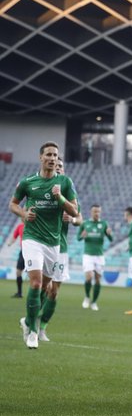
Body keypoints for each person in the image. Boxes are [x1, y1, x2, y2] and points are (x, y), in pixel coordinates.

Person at [10, 141, 79, 349]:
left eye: (55, 155)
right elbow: (13, 204)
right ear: (41, 157)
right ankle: (33, 333)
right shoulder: (28, 182)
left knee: (46, 287)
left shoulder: (65, 182)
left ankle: (28, 321)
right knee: (36, 283)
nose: (52, 158)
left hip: (53, 243)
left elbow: (75, 212)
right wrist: (23, 213)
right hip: (32, 239)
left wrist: (60, 198)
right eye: (48, 154)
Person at [39, 158, 83, 342]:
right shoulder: (42, 189)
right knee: (41, 286)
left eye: (61, 166)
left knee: (54, 292)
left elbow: (80, 218)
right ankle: (31, 319)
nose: (57, 168)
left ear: (63, 170)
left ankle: (42, 328)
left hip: (61, 248)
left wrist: (72, 220)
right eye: (55, 166)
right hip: (43, 245)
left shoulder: (68, 193)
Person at [78, 204, 113, 311]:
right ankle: (87, 297)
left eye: (98, 211)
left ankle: (94, 302)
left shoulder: (104, 224)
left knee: (98, 280)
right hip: (88, 255)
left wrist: (109, 234)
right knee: (89, 276)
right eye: (95, 211)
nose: (97, 213)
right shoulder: (85, 224)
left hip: (99, 256)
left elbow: (111, 239)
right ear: (91, 212)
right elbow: (78, 238)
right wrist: (82, 236)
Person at [7, 222, 25, 298]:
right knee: (18, 272)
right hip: (23, 251)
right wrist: (10, 243)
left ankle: (39, 294)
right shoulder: (20, 226)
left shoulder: (33, 224)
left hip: (33, 251)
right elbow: (14, 236)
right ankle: (19, 293)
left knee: (35, 273)